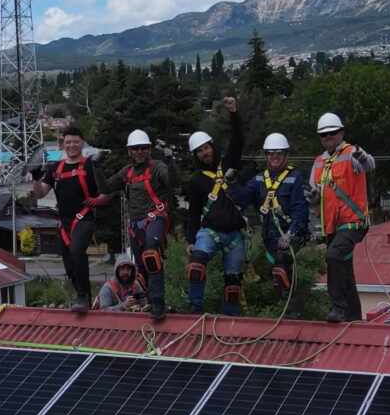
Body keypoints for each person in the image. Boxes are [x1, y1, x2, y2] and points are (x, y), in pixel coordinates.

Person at [94, 129, 177, 320]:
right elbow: (106, 187)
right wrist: (96, 168)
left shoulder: (157, 168)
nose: (139, 152)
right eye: (135, 149)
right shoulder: (127, 172)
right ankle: (148, 299)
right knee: (141, 266)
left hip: (155, 218)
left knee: (151, 255)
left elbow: (171, 181)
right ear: (129, 151)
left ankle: (157, 303)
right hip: (136, 226)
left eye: (143, 148)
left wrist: (170, 162)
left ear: (148, 149)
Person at [226, 133, 309, 319]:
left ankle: (292, 313)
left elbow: (300, 210)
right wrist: (231, 183)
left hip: (291, 235)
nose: (275, 157)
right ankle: (289, 309)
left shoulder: (295, 179)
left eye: (279, 153)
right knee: (279, 278)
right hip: (269, 237)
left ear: (286, 155)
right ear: (266, 156)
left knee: (282, 266)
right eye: (271, 154)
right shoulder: (259, 180)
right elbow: (242, 198)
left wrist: (290, 234)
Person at [31, 126, 112, 312]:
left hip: (84, 219)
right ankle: (80, 297)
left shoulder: (90, 166)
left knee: (77, 252)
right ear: (63, 144)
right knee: (69, 264)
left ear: (82, 143)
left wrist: (97, 201)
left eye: (75, 142)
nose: (72, 145)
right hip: (64, 222)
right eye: (68, 142)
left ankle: (83, 296)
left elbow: (108, 192)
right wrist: (36, 179)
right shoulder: (56, 168)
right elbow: (40, 193)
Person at [307, 112, 375, 323]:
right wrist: (313, 197)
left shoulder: (351, 153)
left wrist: (362, 158)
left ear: (341, 132)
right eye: (324, 135)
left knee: (334, 256)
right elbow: (312, 195)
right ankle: (354, 318)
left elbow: (369, 165)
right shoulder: (318, 163)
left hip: (353, 222)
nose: (328, 137)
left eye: (332, 133)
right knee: (345, 270)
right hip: (332, 226)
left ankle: (337, 306)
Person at [185, 96, 247, 316]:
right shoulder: (197, 180)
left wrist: (233, 113)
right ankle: (195, 306)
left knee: (233, 284)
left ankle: (230, 316)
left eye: (207, 148)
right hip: (209, 231)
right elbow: (193, 212)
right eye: (200, 151)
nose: (205, 153)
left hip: (234, 234)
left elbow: (238, 141)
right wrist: (191, 240)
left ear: (212, 146)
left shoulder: (227, 164)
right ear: (196, 156)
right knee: (196, 265)